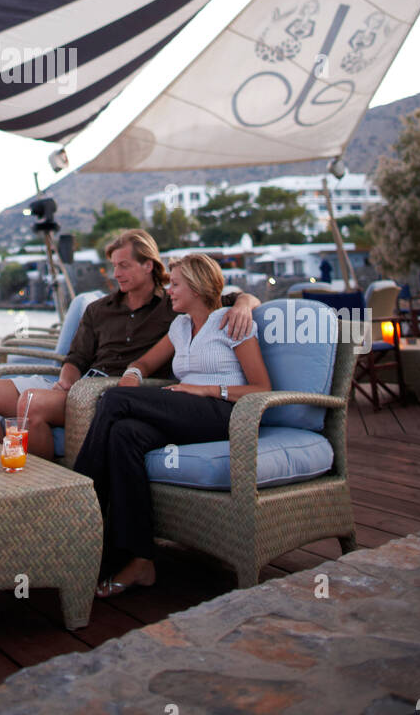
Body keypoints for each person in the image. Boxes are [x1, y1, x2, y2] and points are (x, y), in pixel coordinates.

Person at [73, 252, 271, 597]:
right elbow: (145, 361)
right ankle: (139, 560)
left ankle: (75, 512)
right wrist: (133, 373)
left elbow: (262, 389)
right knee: (124, 434)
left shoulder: (231, 321)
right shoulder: (179, 327)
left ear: (196, 287)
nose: (170, 291)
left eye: (176, 284)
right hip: (185, 410)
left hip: (224, 414)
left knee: (113, 401)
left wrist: (208, 388)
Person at [0, 229, 259, 459]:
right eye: (114, 265)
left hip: (117, 392)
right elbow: (76, 358)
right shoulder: (99, 308)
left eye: (124, 265)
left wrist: (244, 305)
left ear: (148, 266)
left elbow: (225, 298)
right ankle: (6, 471)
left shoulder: (176, 306)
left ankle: (42, 489)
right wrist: (65, 381)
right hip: (79, 384)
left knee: (31, 403)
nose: (116, 273)